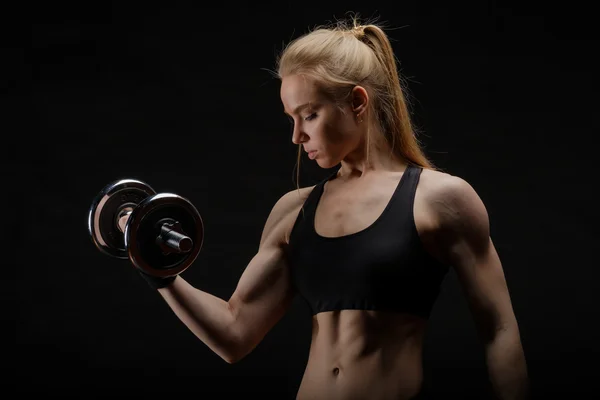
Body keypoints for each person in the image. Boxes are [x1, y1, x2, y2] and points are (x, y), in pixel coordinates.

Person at [141, 16, 529, 400]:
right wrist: (159, 272)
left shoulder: (440, 198)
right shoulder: (294, 211)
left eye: (309, 115)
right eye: (291, 119)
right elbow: (234, 334)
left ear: (357, 102)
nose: (297, 136)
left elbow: (499, 330)